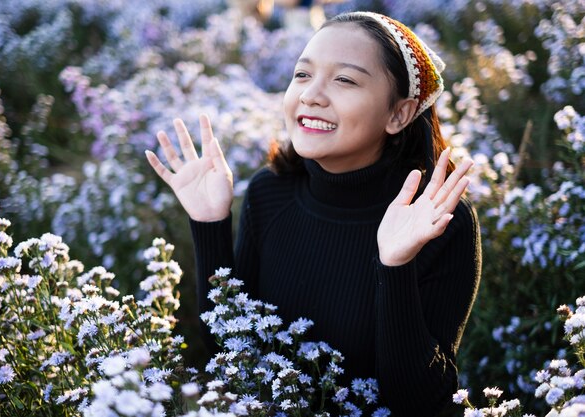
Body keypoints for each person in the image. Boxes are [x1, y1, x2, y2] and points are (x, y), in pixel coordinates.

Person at [145, 11, 481, 416]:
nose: (311, 95)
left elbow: (418, 402)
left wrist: (395, 264)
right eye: (302, 75)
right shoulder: (270, 193)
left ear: (399, 114)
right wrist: (209, 223)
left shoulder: (439, 221)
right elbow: (232, 353)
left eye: (345, 80)